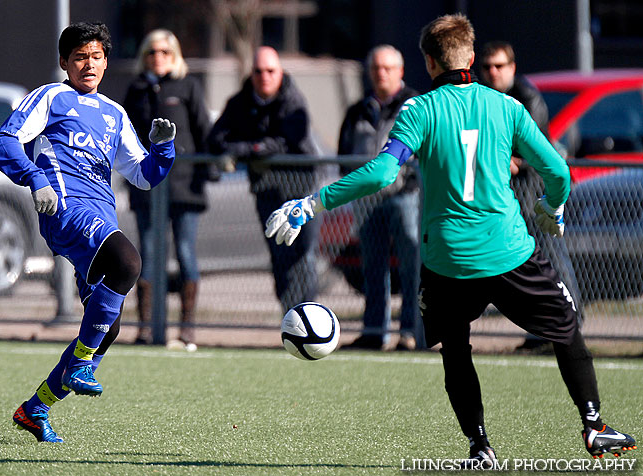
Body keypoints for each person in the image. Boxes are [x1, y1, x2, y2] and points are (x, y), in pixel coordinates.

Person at [264, 14, 636, 462]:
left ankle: (481, 447)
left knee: (456, 349)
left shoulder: (418, 110)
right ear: (473, 59)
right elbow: (557, 171)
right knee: (567, 330)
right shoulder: (507, 107)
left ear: (428, 63)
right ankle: (593, 427)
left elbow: (382, 172)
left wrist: (311, 203)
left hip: (446, 259)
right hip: (510, 251)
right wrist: (553, 207)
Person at [0, 22, 176, 443]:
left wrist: (164, 148)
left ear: (106, 62)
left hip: (100, 217)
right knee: (129, 262)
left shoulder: (115, 114)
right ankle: (78, 365)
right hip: (63, 207)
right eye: (78, 57)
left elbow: (143, 175)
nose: (87, 64)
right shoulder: (52, 96)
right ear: (64, 63)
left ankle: (35, 408)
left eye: (95, 57)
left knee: (105, 329)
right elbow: (4, 141)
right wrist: (34, 178)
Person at [480, 41, 583, 352]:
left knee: (552, 260)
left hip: (536, 195)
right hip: (508, 197)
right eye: (487, 67)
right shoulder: (485, 98)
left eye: (499, 66)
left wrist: (508, 160)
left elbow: (533, 152)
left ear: (512, 67)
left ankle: (570, 324)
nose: (492, 72)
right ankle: (542, 329)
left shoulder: (527, 98)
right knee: (529, 266)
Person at [123, 29, 217, 349]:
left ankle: (187, 328)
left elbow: (204, 129)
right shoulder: (136, 90)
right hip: (147, 187)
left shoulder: (188, 86)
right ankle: (147, 328)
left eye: (164, 51)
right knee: (147, 255)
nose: (158, 57)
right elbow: (125, 138)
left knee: (186, 253)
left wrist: (210, 169)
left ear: (174, 54)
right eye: (151, 52)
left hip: (184, 187)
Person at [207, 46, 319, 312]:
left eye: (270, 71)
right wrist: (239, 150)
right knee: (279, 255)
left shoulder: (292, 100)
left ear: (280, 72)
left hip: (299, 190)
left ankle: (309, 315)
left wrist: (245, 150)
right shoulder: (241, 101)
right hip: (267, 190)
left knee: (302, 255)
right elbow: (216, 138)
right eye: (258, 71)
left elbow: (284, 142)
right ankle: (291, 317)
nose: (264, 76)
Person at [337, 45, 423, 351]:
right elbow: (344, 153)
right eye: (376, 68)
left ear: (400, 71)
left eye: (387, 68)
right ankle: (374, 332)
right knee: (372, 266)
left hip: (404, 196)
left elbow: (425, 150)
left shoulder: (415, 105)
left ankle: (412, 332)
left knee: (412, 264)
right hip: (367, 199)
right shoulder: (359, 109)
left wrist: (410, 184)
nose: (381, 74)